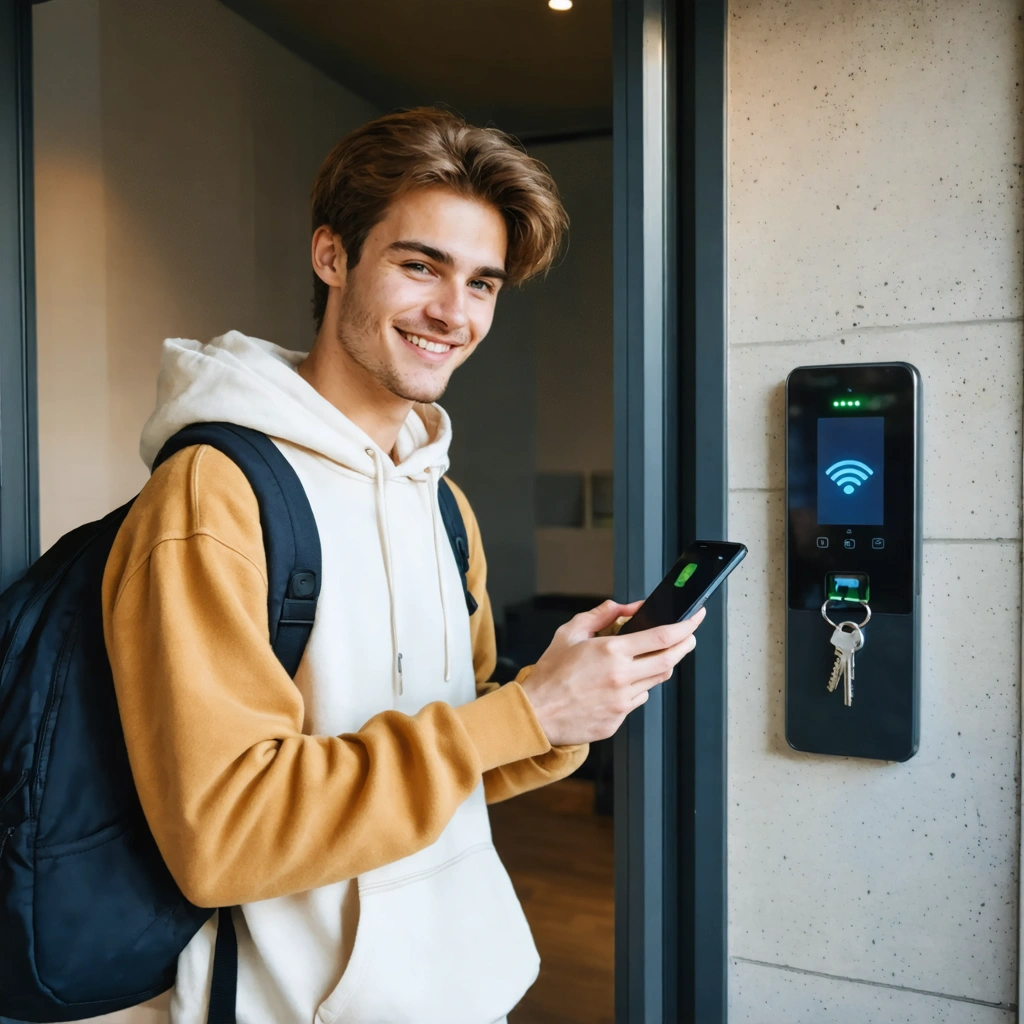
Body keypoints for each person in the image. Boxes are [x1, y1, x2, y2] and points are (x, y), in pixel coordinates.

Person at [102, 107, 704, 1024]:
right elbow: (220, 836)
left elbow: (462, 759)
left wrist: (557, 704)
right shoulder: (214, 495)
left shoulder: (440, 500)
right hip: (292, 1006)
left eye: (483, 283)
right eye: (419, 265)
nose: (452, 314)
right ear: (332, 256)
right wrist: (522, 714)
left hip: (464, 987)